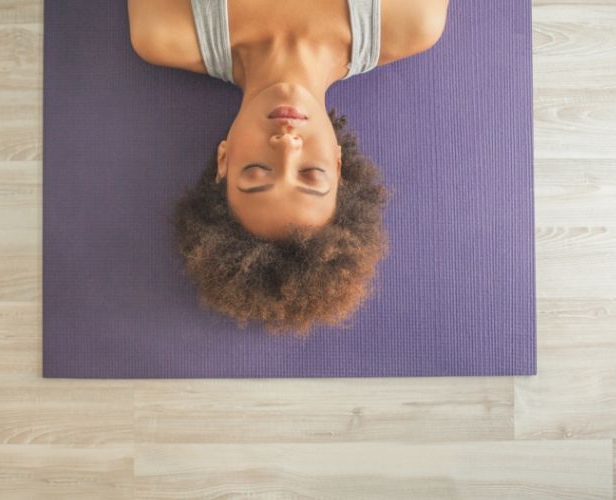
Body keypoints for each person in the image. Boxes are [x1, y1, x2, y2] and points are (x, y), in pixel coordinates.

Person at [128, 0, 448, 335]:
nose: (287, 144)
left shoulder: (165, 29)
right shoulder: (410, 21)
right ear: (338, 166)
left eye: (256, 172)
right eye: (310, 174)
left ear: (224, 159)